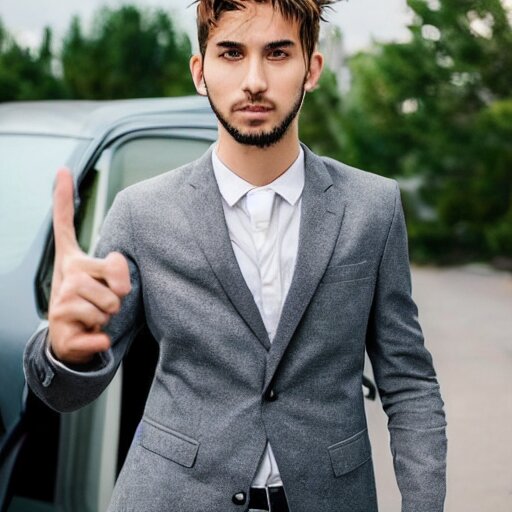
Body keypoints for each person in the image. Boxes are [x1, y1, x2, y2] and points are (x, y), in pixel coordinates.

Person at [24, 1, 447, 511]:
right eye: (230, 53)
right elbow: (66, 393)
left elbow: (410, 384)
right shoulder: (141, 212)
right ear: (201, 72)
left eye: (277, 53)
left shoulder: (373, 208)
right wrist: (63, 351)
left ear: (311, 68)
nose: (254, 80)